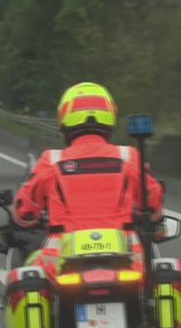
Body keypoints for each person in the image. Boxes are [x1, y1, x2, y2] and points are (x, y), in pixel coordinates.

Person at [13, 82, 165, 276]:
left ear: (64, 120)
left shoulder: (51, 160)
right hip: (128, 260)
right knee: (158, 274)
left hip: (59, 263)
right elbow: (153, 206)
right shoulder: (130, 157)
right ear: (110, 117)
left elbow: (24, 212)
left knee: (25, 276)